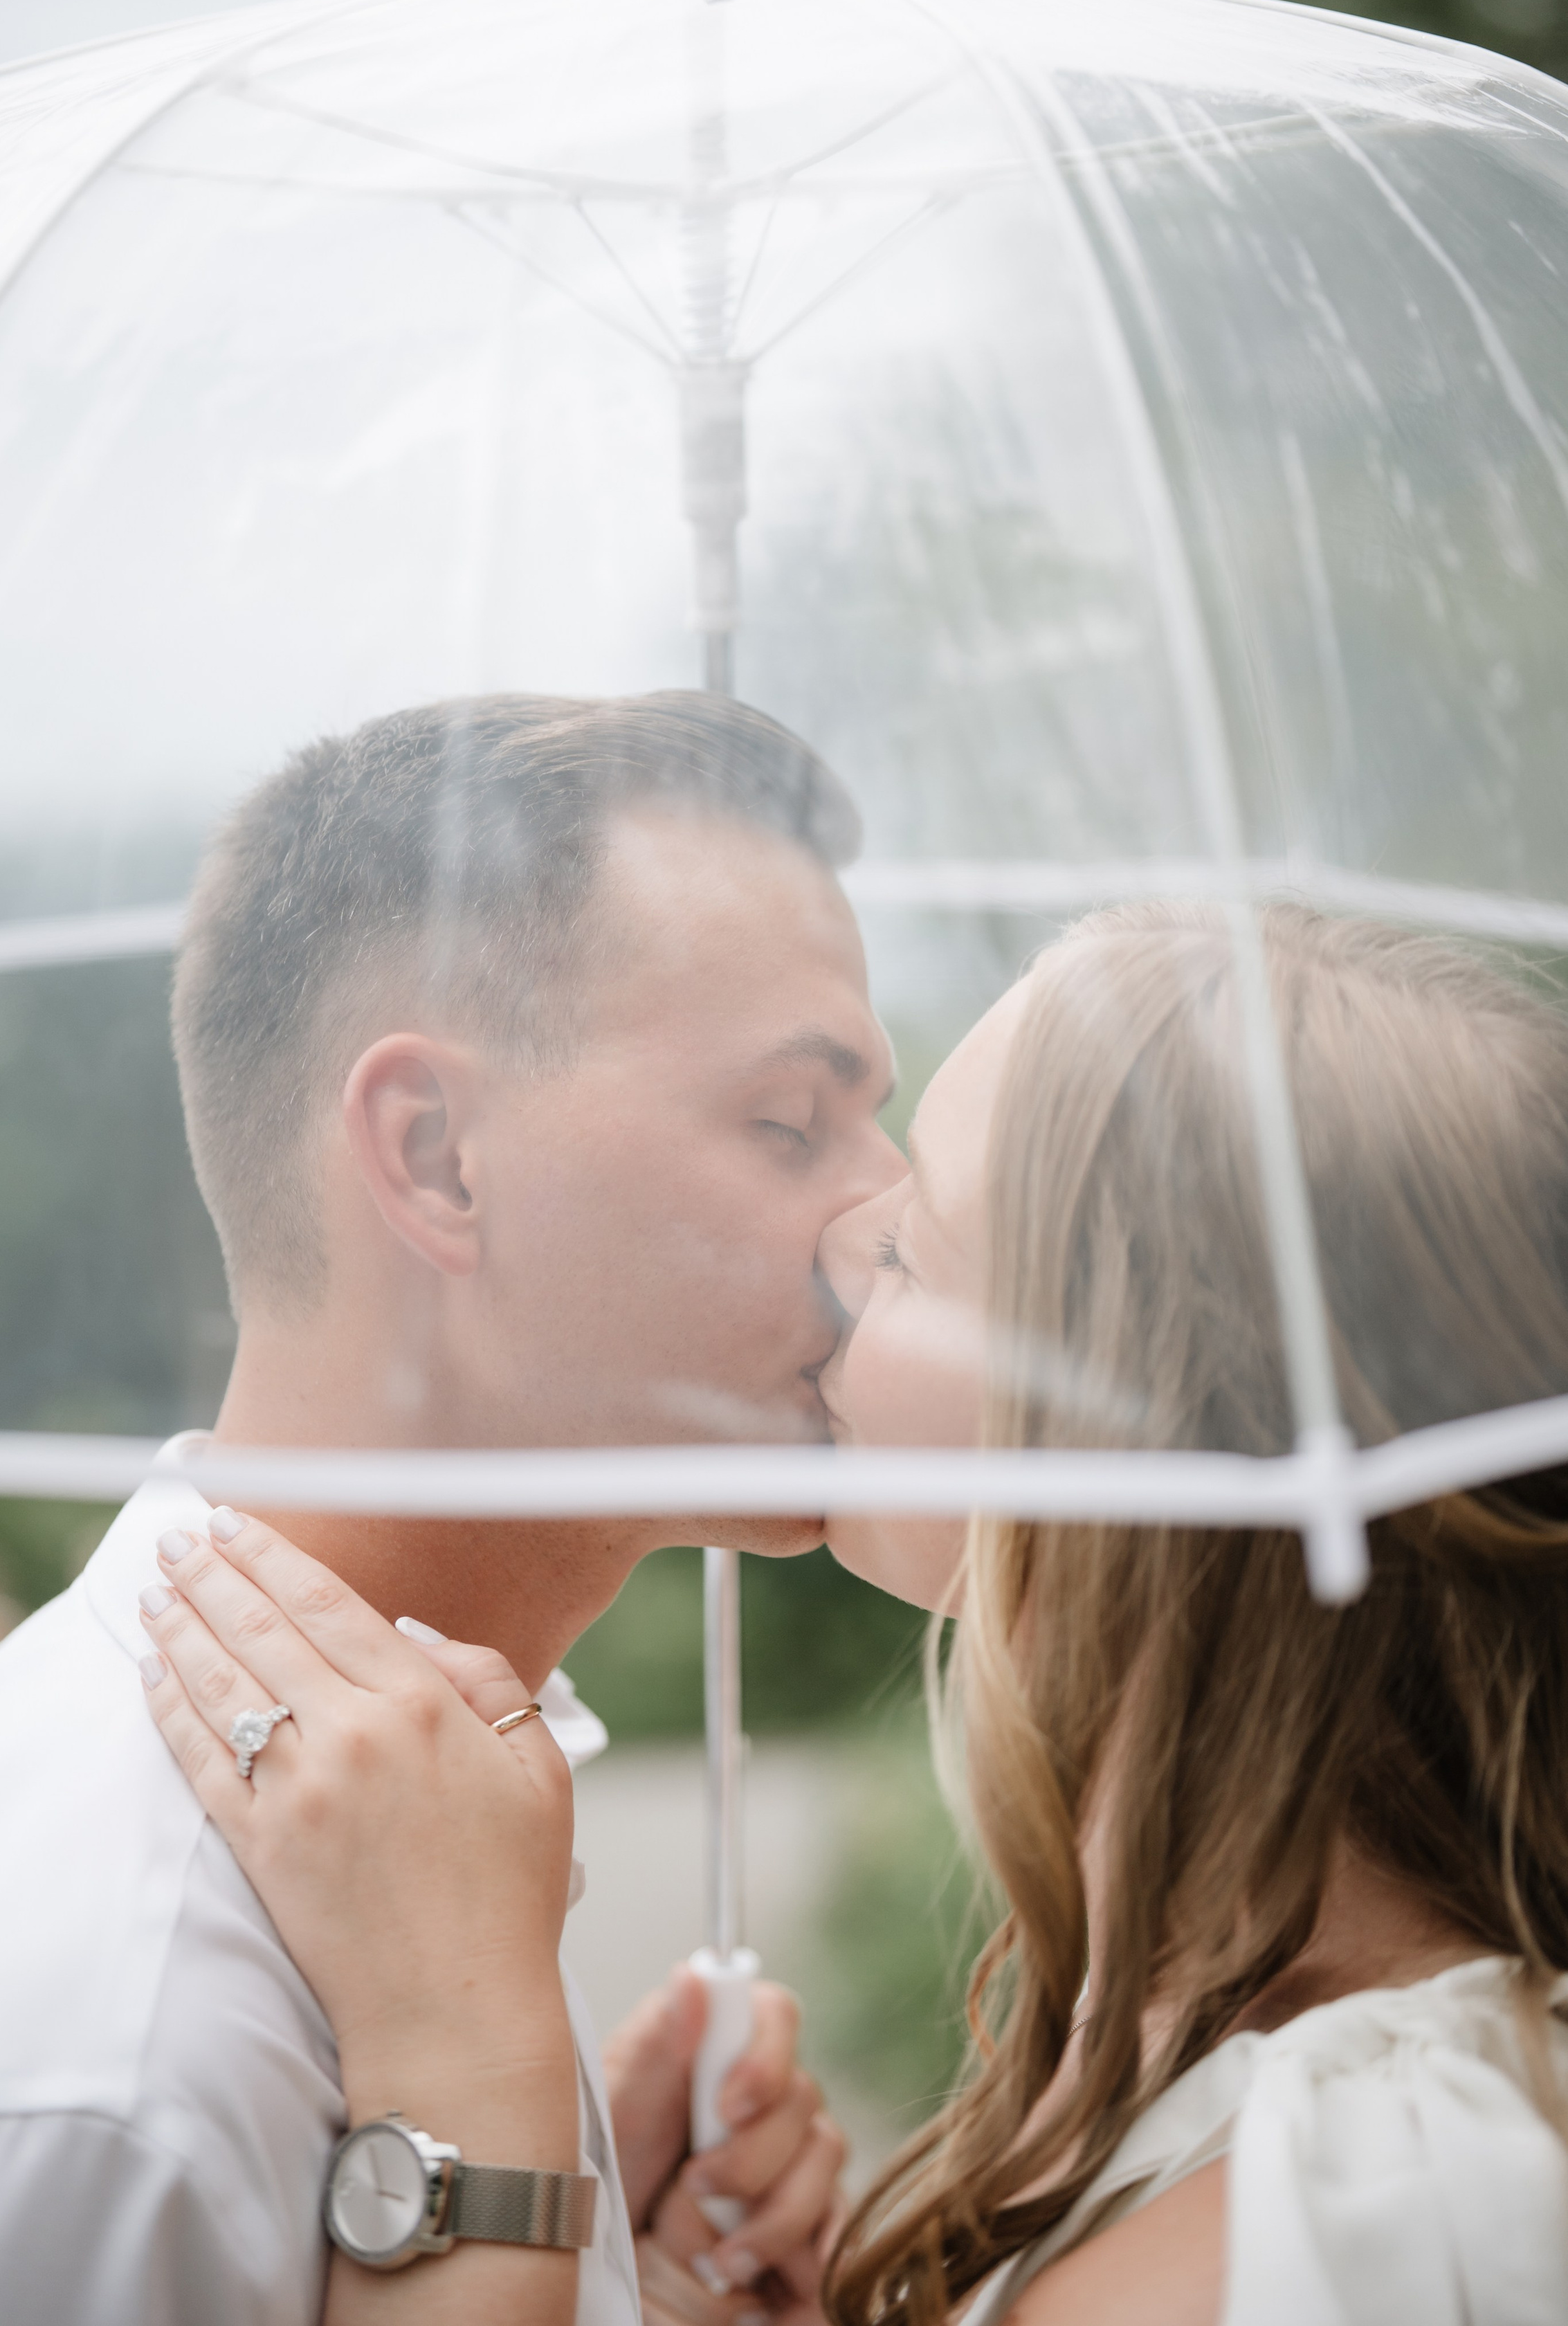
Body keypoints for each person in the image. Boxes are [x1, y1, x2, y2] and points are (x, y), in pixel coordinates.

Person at [134, 901, 1568, 2325]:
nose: (830, 1248)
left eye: (910, 1251)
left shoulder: (1359, 2209)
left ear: (1137, 1446)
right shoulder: (1254, 2047)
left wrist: (464, 2090)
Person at [0, 691, 901, 2325]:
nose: (882, 1214)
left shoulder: (387, 1839)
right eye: (789, 1121)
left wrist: (621, 2287)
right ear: (438, 1157)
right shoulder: (101, 2054)